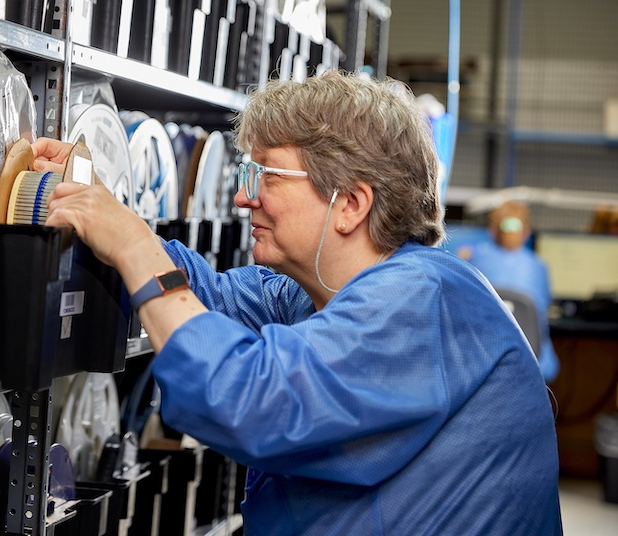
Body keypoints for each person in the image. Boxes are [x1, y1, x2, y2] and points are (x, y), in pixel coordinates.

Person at [32, 70, 561, 534]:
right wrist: (99, 206)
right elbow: (202, 297)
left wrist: (130, 244)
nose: (244, 197)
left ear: (349, 203)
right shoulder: (315, 293)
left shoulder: (425, 302)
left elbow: (247, 402)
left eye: (267, 175)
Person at [460, 200, 560, 383]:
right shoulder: (539, 266)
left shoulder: (473, 260)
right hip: (534, 364)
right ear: (526, 232)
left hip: (483, 362)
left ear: (491, 230)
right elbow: (544, 307)